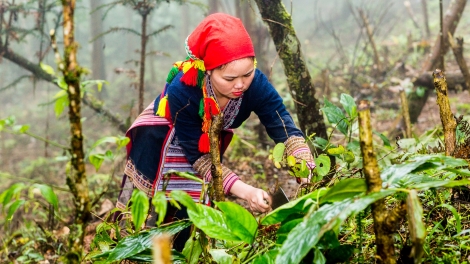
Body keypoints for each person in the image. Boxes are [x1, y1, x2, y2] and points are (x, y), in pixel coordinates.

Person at [115, 12, 315, 249]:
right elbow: (200, 157)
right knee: (155, 211)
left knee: (193, 217)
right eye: (230, 78)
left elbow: (281, 123)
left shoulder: (256, 85)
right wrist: (246, 191)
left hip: (203, 142)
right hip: (162, 140)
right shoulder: (184, 90)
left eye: (247, 74)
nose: (240, 84)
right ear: (208, 70)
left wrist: (305, 166)